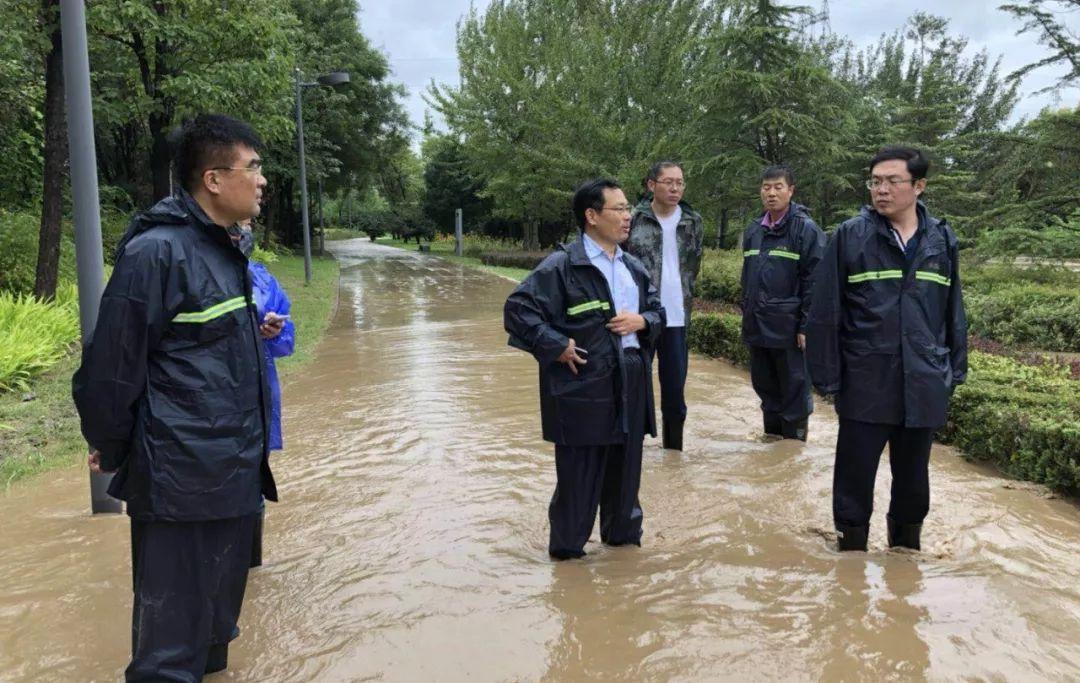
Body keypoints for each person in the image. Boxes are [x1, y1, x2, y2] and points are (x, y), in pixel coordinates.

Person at [72, 114, 278, 680]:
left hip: (232, 472)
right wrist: (112, 447)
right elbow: (110, 369)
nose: (262, 180)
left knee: (215, 633)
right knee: (169, 653)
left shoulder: (226, 250)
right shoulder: (157, 254)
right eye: (252, 167)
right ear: (214, 179)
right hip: (180, 479)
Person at [806, 146, 967, 552]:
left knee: (914, 480)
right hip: (866, 380)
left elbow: (952, 311)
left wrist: (953, 371)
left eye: (892, 181)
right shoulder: (850, 236)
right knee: (854, 478)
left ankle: (905, 555)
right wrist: (827, 377)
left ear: (919, 186)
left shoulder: (941, 240)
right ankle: (851, 558)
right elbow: (825, 311)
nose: (881, 190)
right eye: (875, 181)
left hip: (924, 379)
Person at [504, 178, 665, 560]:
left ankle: (623, 558)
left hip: (630, 380)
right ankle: (568, 562)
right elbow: (518, 310)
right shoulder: (563, 266)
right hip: (583, 388)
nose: (628, 217)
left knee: (625, 483)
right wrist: (556, 345)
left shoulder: (633, 268)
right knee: (579, 485)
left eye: (629, 209)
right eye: (620, 209)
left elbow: (658, 311)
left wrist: (643, 321)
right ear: (591, 216)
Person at [739, 165, 825, 440]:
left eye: (778, 187)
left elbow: (816, 280)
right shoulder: (754, 229)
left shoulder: (805, 230)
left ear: (791, 190)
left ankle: (794, 451)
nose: (771, 193)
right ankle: (773, 449)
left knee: (795, 391)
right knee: (766, 388)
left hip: (789, 330)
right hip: (758, 326)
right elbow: (747, 278)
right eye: (766, 187)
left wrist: (806, 325)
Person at [626, 161, 704, 451]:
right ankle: (631, 450)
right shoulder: (633, 219)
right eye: (668, 182)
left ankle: (674, 452)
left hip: (677, 319)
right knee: (634, 387)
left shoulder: (693, 221)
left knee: (674, 392)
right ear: (651, 185)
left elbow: (694, 264)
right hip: (640, 319)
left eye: (680, 182)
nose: (675, 188)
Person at [236, 225, 295, 568]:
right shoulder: (185, 269)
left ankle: (250, 568)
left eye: (247, 228)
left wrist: (274, 330)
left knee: (253, 480)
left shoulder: (263, 280)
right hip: (205, 402)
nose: (243, 233)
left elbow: (288, 340)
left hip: (257, 392)